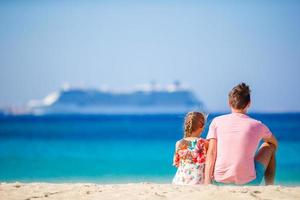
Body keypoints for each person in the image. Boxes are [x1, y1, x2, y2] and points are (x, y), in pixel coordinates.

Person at [204, 83, 278, 185]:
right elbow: (274, 143)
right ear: (249, 103)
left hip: (219, 181)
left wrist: (207, 181)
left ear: (229, 102)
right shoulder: (258, 125)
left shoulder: (216, 121)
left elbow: (211, 152)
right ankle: (270, 186)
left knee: (212, 147)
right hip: (248, 182)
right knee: (270, 146)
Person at [172, 112, 208, 185]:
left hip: (179, 179)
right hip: (196, 180)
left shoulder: (179, 143)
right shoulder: (204, 143)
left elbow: (176, 163)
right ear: (202, 126)